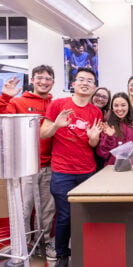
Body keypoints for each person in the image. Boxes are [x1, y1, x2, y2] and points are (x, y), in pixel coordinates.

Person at [40, 67, 103, 267]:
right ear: (73, 84)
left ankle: (86, 251)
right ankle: (61, 255)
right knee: (64, 216)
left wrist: (94, 139)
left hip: (87, 171)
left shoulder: (96, 111)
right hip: (62, 172)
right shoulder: (58, 105)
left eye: (90, 81)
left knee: (86, 215)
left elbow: (93, 143)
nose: (85, 83)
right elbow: (43, 134)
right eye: (81, 79)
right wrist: (57, 125)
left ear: (94, 88)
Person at [0, 65, 57, 260]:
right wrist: (5, 97)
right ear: (32, 80)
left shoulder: (55, 104)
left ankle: (45, 243)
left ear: (53, 82)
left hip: (49, 164)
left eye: (48, 78)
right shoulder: (18, 101)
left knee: (47, 210)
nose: (43, 81)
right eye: (39, 78)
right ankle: (22, 247)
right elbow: (2, 116)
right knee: (24, 208)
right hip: (25, 166)